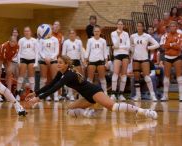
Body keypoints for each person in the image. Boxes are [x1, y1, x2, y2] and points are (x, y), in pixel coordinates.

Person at [26, 55, 158, 120]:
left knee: (114, 107)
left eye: (60, 63)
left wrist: (38, 99)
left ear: (66, 64)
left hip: (93, 91)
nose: (58, 65)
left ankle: (144, 112)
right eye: (57, 62)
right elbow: (51, 84)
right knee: (70, 111)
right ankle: (89, 113)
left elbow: (56, 88)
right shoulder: (63, 72)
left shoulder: (69, 74)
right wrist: (36, 93)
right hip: (86, 96)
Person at [130, 22, 160, 101]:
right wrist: (132, 53)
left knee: (147, 77)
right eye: (138, 26)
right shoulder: (133, 36)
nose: (139, 27)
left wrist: (149, 47)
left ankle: (153, 95)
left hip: (144, 59)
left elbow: (157, 44)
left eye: (140, 26)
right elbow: (131, 46)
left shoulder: (147, 36)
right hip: (135, 59)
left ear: (143, 27)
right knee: (136, 78)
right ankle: (138, 95)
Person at [160, 21, 182, 101]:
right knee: (166, 76)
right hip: (167, 57)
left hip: (177, 57)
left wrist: (170, 45)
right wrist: (171, 44)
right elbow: (163, 47)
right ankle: (165, 96)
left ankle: (181, 95)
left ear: (176, 27)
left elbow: (179, 47)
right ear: (169, 27)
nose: (172, 27)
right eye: (171, 26)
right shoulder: (165, 35)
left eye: (174, 26)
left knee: (179, 76)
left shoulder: (180, 35)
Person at [16, 26, 39, 101]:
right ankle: (17, 94)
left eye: (28, 31)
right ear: (24, 32)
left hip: (32, 60)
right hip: (23, 59)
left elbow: (36, 52)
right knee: (21, 77)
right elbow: (18, 52)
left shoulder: (34, 41)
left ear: (31, 32)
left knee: (31, 77)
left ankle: (32, 94)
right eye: (25, 31)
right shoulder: (21, 40)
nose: (27, 32)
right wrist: (18, 61)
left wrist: (36, 62)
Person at [110, 20, 130, 101]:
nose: (120, 25)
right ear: (117, 25)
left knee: (124, 75)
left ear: (123, 25)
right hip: (117, 55)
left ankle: (121, 94)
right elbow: (116, 45)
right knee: (115, 73)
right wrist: (118, 36)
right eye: (119, 24)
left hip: (125, 55)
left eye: (121, 24)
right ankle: (113, 94)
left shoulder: (126, 34)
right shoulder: (113, 33)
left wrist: (117, 47)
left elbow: (128, 46)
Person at [85, 25, 108, 95]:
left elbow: (105, 52)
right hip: (92, 61)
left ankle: (105, 93)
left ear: (100, 32)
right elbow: (87, 51)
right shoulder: (90, 40)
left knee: (102, 78)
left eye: (98, 31)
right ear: (93, 32)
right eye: (95, 31)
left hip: (100, 61)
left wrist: (106, 62)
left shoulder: (103, 41)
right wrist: (85, 60)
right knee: (89, 79)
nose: (96, 32)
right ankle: (88, 93)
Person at [62, 29, 84, 101]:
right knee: (70, 78)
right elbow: (63, 54)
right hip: (69, 62)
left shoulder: (79, 42)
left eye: (73, 33)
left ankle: (79, 94)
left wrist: (83, 61)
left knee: (78, 78)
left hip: (77, 61)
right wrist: (64, 63)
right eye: (70, 33)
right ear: (69, 35)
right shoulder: (66, 42)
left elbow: (81, 52)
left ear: (75, 34)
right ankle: (70, 94)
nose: (72, 34)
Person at [38, 28, 60, 101]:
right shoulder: (41, 39)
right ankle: (43, 95)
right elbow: (40, 51)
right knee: (43, 79)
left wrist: (51, 58)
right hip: (43, 60)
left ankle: (56, 95)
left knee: (55, 78)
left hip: (53, 60)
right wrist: (45, 58)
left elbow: (57, 51)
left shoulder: (55, 39)